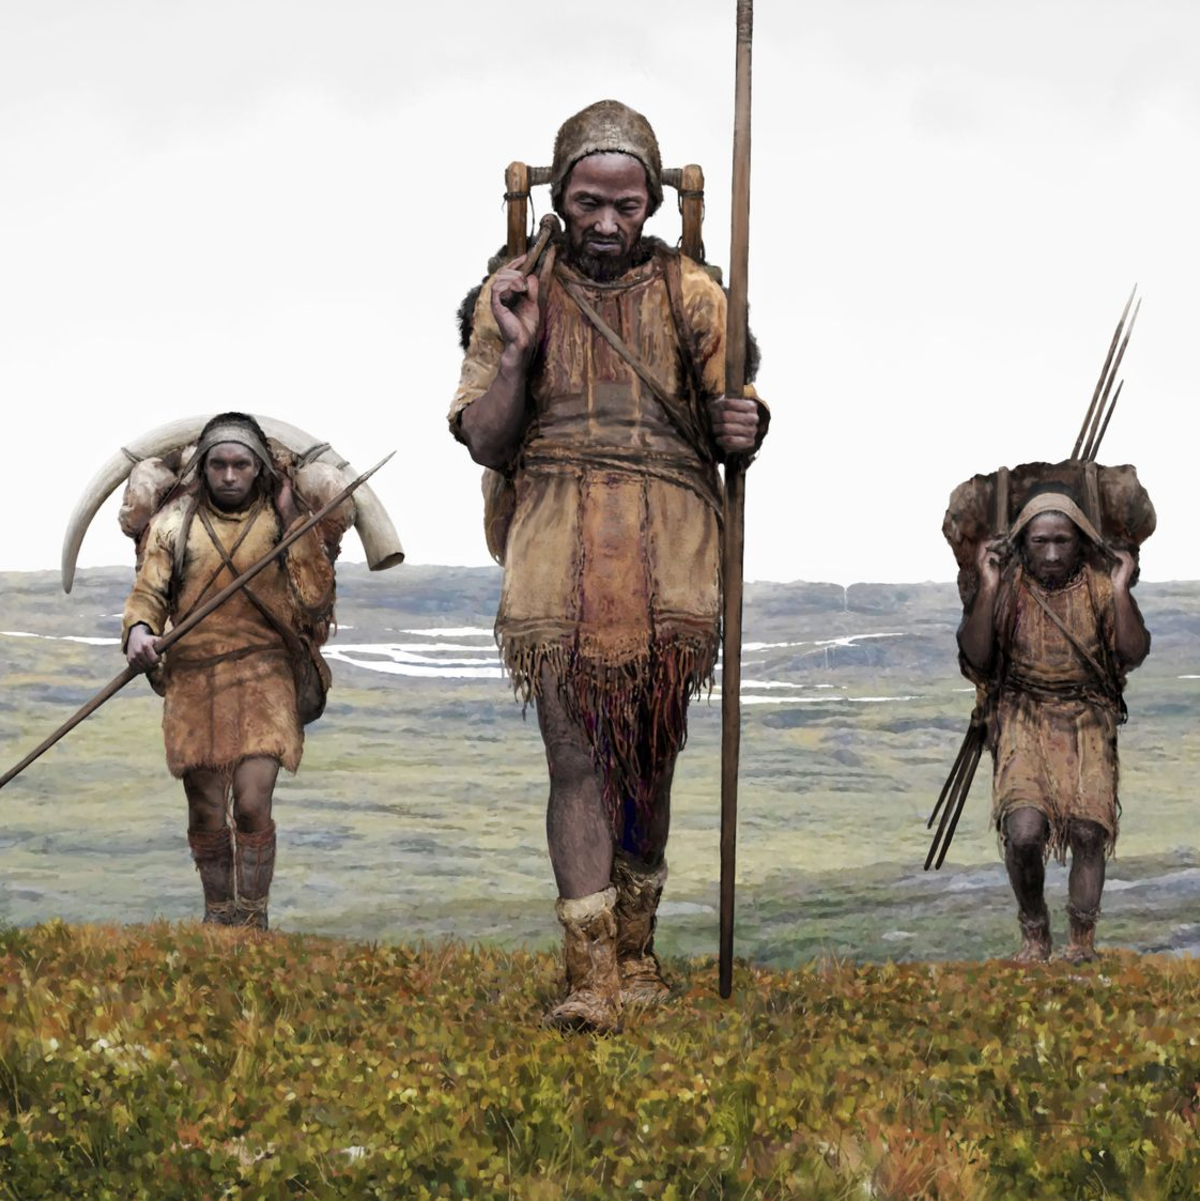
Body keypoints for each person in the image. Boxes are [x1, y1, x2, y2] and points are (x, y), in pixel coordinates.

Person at [449, 99, 767, 1030]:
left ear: (653, 206)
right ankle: (589, 977)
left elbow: (729, 413)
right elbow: (484, 437)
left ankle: (635, 956)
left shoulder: (694, 295)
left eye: (626, 207)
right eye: (588, 202)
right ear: (558, 196)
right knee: (576, 759)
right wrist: (514, 351)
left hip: (669, 553)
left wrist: (745, 426)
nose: (605, 223)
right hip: (553, 548)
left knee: (651, 763)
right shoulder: (512, 292)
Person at [123, 412, 340, 929]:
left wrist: (294, 521)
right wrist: (138, 632)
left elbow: (314, 596)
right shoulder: (174, 526)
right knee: (204, 810)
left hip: (266, 677)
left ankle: (252, 919)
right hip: (193, 678)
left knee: (251, 801)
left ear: (258, 467)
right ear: (204, 468)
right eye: (218, 464)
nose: (228, 476)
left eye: (240, 464)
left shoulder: (284, 524)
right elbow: (149, 594)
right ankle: (218, 918)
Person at [957, 492, 1150, 963]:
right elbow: (977, 655)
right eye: (1039, 541)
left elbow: (1133, 652)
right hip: (1023, 714)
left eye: (1062, 541)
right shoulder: (1007, 590)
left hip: (1088, 717)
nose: (1050, 553)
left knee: (1088, 831)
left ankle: (1081, 944)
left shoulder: (1100, 590)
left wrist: (1122, 588)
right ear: (1023, 542)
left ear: (1079, 543)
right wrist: (986, 585)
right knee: (1023, 831)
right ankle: (1034, 934)